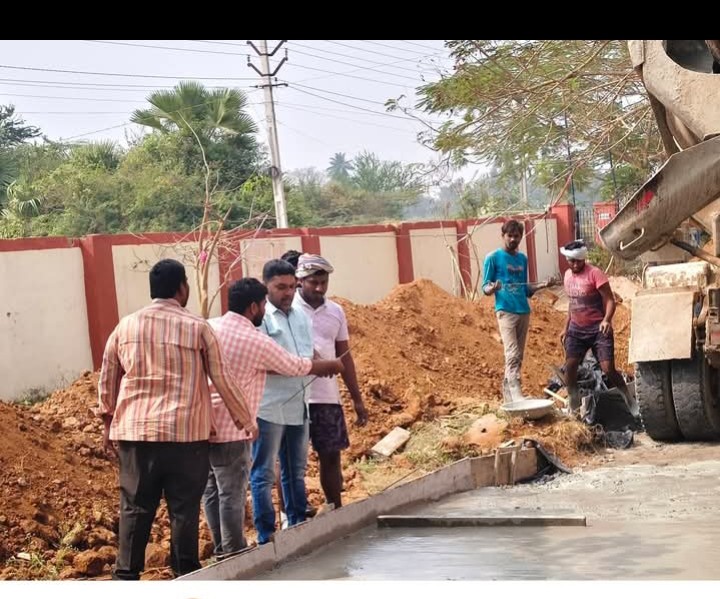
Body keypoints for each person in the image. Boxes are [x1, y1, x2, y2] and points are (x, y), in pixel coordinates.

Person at [97, 258, 256, 580]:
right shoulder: (198, 327)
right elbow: (222, 378)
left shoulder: (125, 326)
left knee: (135, 508)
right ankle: (185, 575)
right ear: (182, 288)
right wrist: (246, 421)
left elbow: (108, 377)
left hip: (136, 435)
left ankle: (126, 577)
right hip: (186, 436)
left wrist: (107, 422)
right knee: (184, 510)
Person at [202, 277, 343, 559]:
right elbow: (291, 365)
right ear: (254, 307)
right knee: (234, 490)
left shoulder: (210, 327)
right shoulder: (254, 339)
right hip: (236, 425)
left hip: (205, 423)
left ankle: (221, 549)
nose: (265, 309)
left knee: (213, 489)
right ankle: (234, 552)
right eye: (264, 303)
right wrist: (327, 365)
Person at [294, 254, 369, 510]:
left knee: (331, 457)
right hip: (295, 398)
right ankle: (294, 515)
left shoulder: (335, 311)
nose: (319, 288)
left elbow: (344, 356)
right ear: (300, 280)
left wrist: (357, 399)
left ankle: (335, 509)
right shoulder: (288, 310)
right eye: (313, 282)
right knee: (293, 463)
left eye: (323, 282)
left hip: (327, 396)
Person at [250, 259, 317, 544]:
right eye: (280, 287)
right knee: (264, 473)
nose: (288, 292)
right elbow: (263, 362)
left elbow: (309, 354)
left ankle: (297, 526)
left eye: (292, 286)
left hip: (299, 404)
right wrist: (305, 366)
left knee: (295, 471)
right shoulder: (261, 319)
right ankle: (266, 536)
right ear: (266, 286)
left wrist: (315, 364)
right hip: (269, 408)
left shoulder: (301, 316)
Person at [560, 240, 637, 416]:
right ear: (567, 260)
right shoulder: (567, 276)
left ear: (584, 258)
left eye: (579, 261)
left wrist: (607, 320)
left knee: (608, 368)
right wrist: (566, 327)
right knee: (570, 366)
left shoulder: (595, 274)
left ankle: (628, 397)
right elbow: (572, 304)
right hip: (576, 330)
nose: (575, 264)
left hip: (598, 329)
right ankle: (574, 401)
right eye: (572, 261)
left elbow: (610, 300)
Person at [482, 219, 555, 403]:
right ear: (503, 236)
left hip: (523, 310)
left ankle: (509, 396)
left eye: (517, 236)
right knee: (512, 353)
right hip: (505, 310)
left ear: (521, 237)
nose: (513, 239)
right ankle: (516, 392)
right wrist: (493, 287)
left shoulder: (522, 259)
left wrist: (542, 285)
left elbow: (526, 290)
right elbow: (485, 287)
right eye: (510, 236)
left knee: (518, 355)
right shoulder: (493, 258)